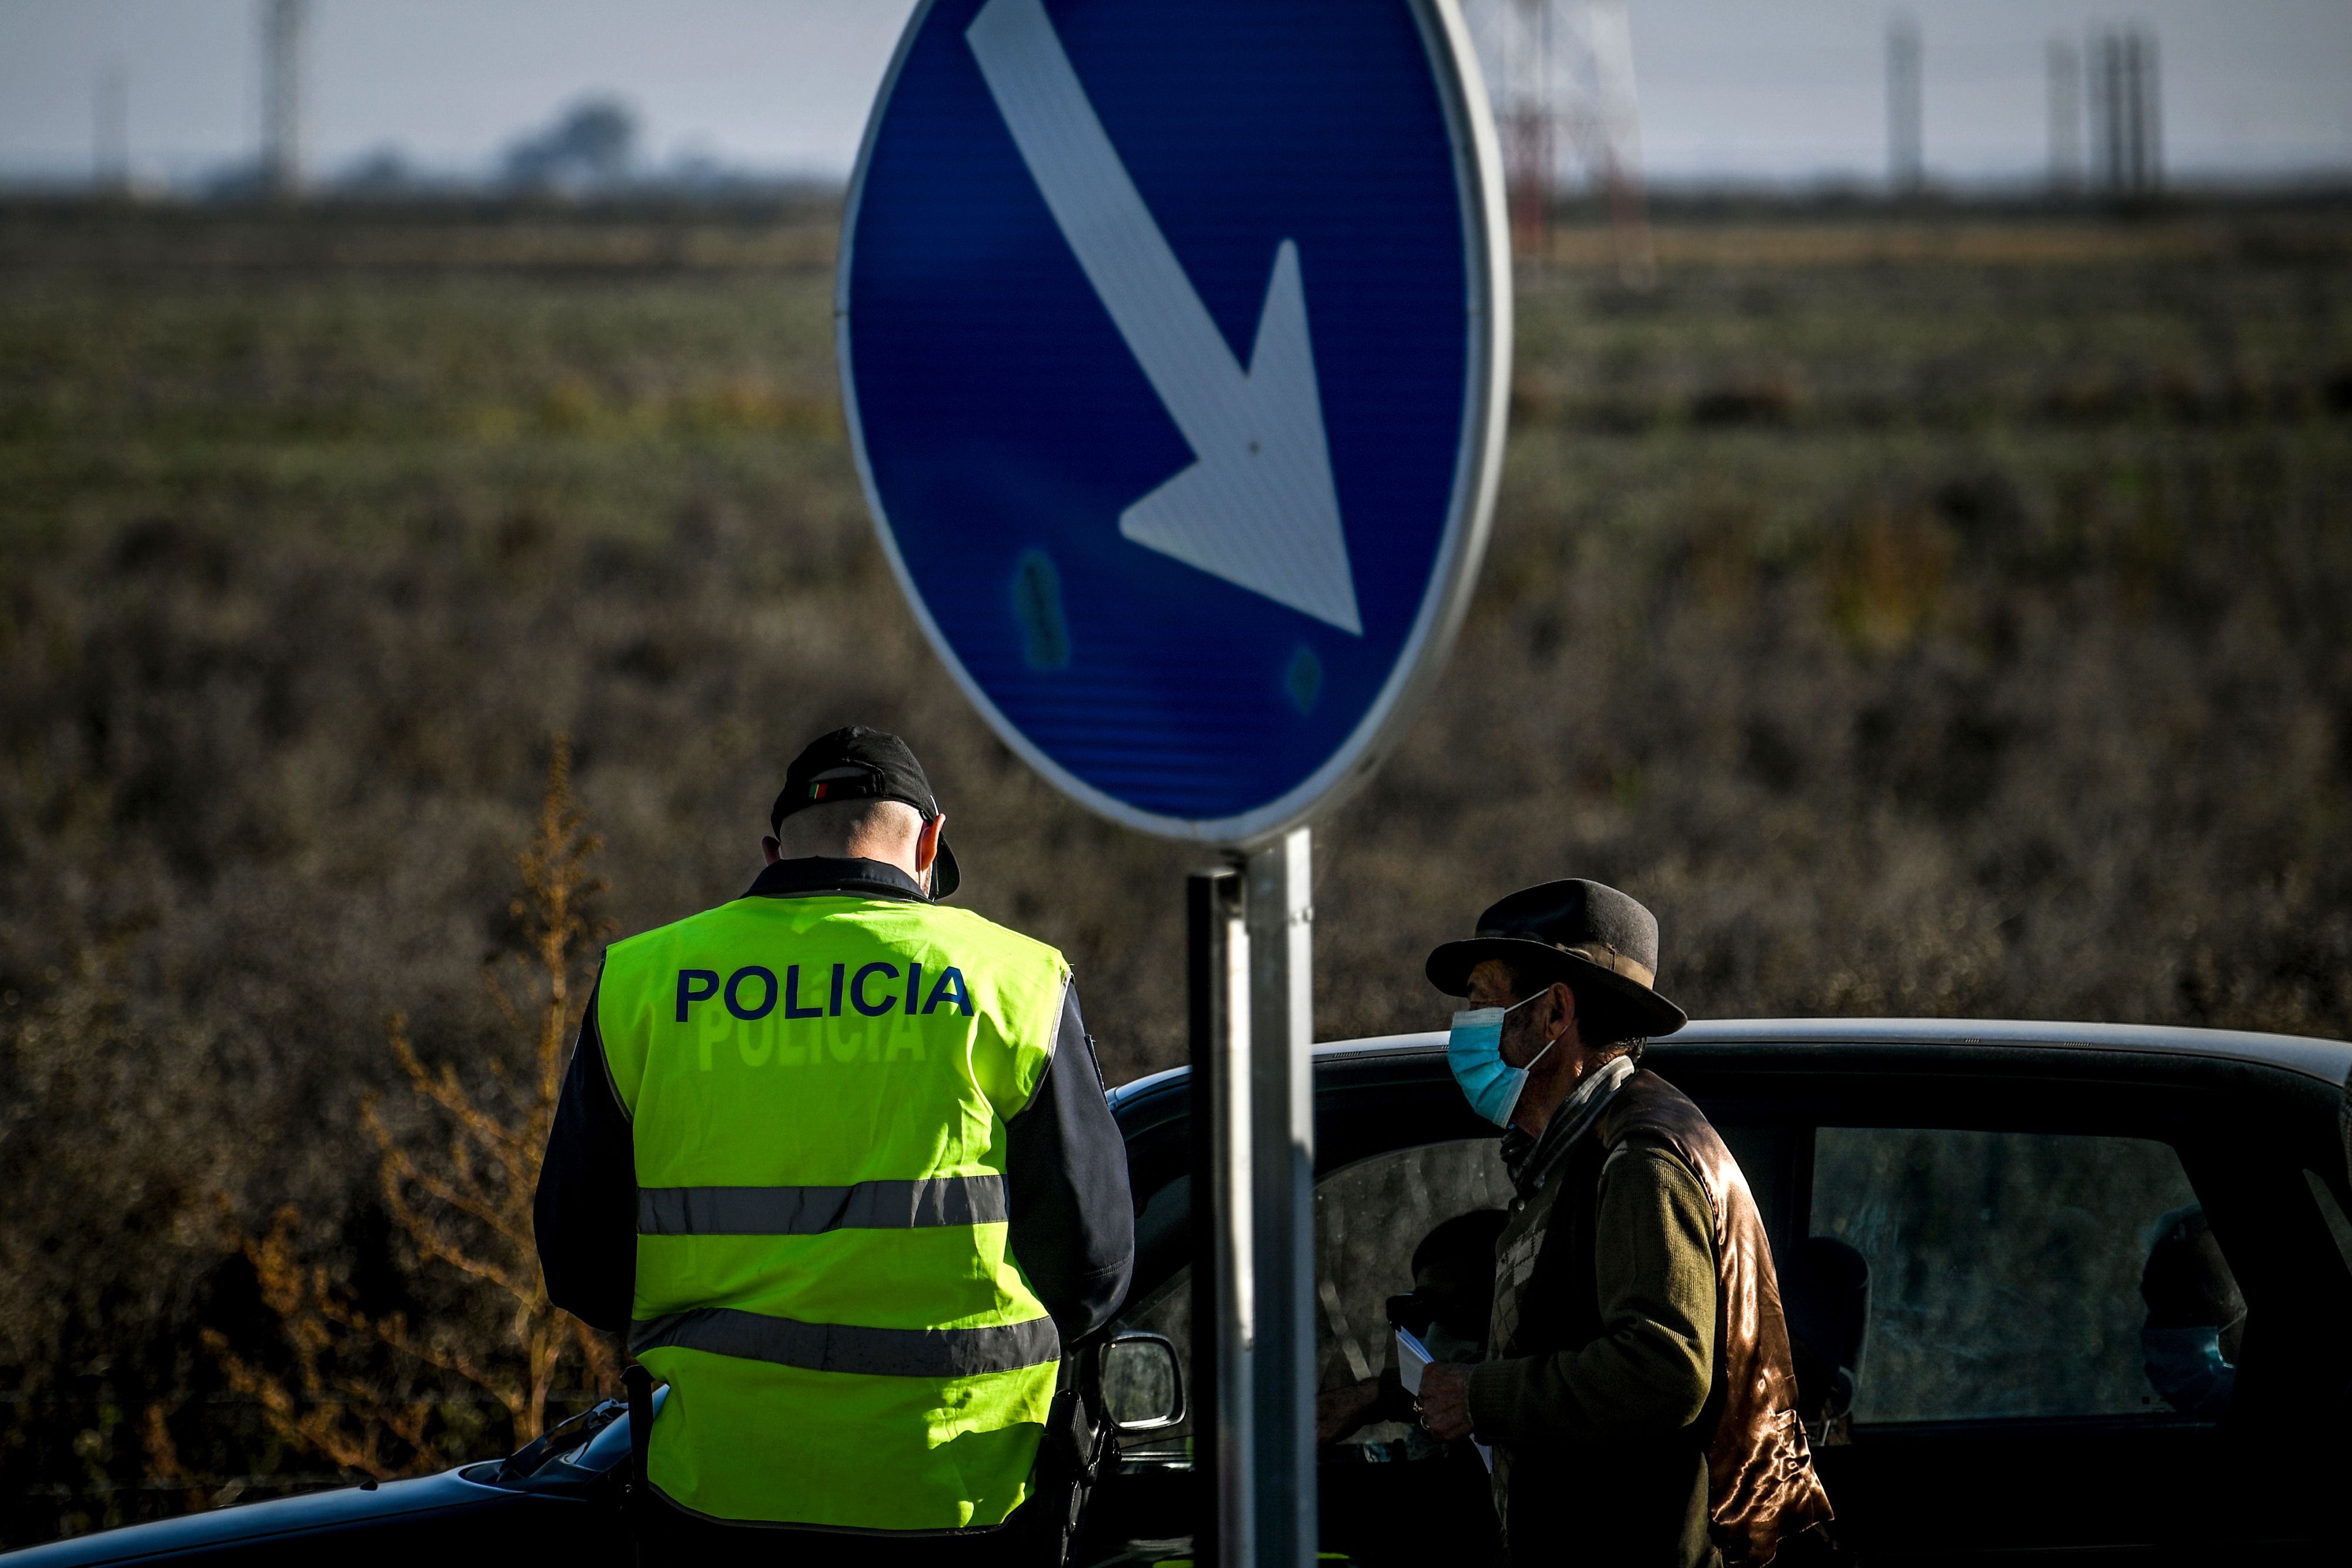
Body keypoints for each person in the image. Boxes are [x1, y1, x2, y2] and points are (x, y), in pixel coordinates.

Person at [533, 726, 1134, 1564]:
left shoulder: (647, 979)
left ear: (774, 848)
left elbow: (580, 1259)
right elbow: (1093, 1263)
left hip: (717, 1493)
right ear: (929, 840)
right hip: (960, 1491)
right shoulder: (1016, 980)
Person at [1413, 880, 1833, 1567]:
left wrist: (1482, 1396)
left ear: (1553, 1011)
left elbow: (1662, 1368)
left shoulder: (1638, 1160)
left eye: (1483, 1003)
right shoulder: (1576, 1151)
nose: (1466, 1029)